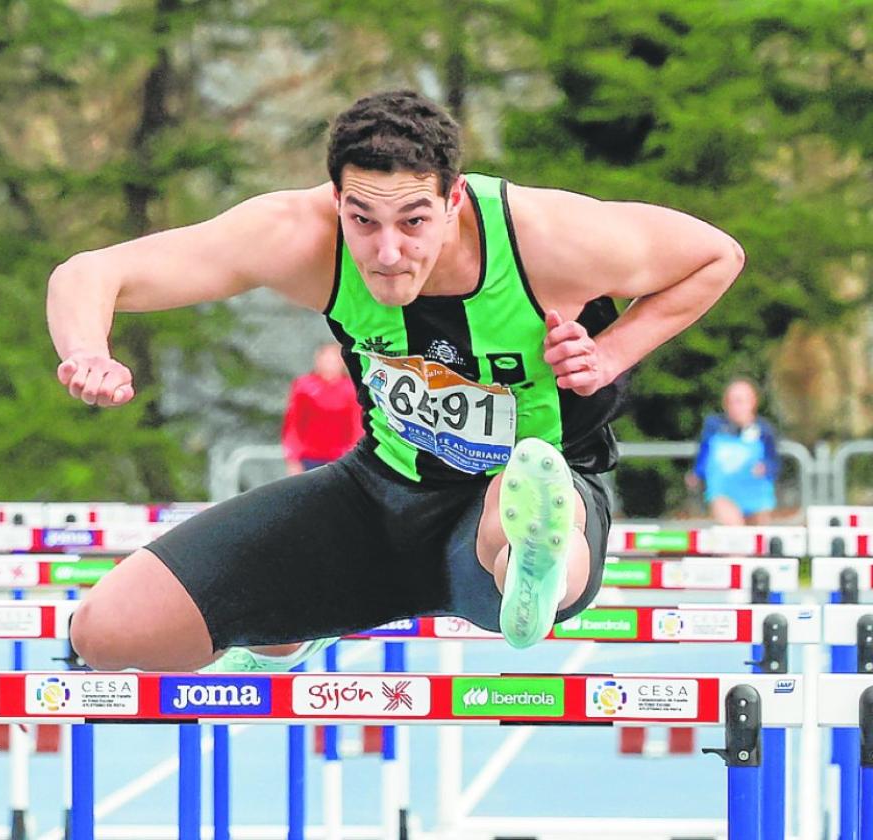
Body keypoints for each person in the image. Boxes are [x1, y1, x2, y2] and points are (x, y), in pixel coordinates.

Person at [47, 89, 745, 673]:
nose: (387, 253)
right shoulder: (297, 233)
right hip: (378, 495)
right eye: (363, 221)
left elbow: (715, 255)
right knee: (107, 633)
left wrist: (613, 352)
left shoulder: (548, 238)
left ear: (453, 200)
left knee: (521, 496)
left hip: (514, 499)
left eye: (413, 222)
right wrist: (87, 349)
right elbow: (89, 273)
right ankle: (287, 626)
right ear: (336, 200)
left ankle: (534, 569)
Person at [687, 377, 779, 525]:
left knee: (758, 541)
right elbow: (704, 454)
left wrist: (766, 467)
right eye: (731, 402)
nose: (736, 407)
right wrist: (697, 474)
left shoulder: (764, 430)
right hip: (723, 493)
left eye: (740, 401)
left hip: (757, 495)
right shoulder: (714, 427)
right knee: (735, 537)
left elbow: (774, 462)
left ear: (753, 402)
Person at [282, 341, 363, 474]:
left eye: (334, 360)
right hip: (309, 458)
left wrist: (356, 456)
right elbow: (293, 425)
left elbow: (357, 425)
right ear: (318, 360)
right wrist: (292, 458)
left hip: (342, 458)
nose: (330, 364)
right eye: (327, 359)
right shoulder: (304, 386)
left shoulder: (350, 388)